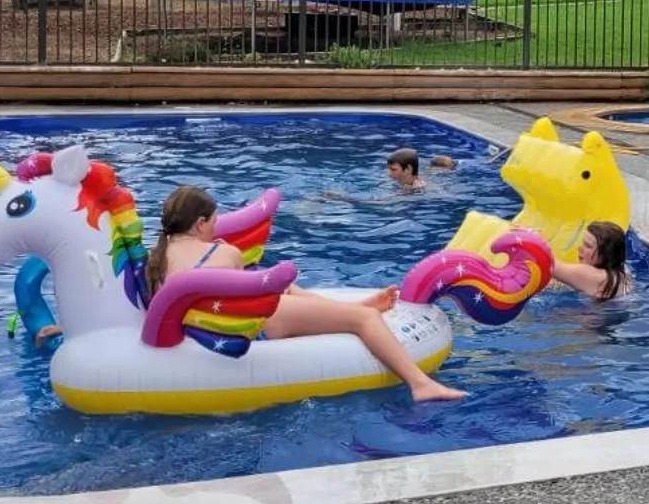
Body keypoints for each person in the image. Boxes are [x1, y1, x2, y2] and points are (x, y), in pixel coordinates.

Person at [148, 186, 465, 402]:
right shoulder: (223, 252)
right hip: (251, 328)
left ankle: (352, 306)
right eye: (214, 222)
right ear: (200, 223)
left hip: (198, 328)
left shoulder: (157, 256)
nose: (216, 228)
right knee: (365, 319)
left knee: (284, 288)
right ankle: (420, 384)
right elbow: (243, 302)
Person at [551, 221, 634, 303]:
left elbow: (550, 264)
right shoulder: (622, 272)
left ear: (604, 255)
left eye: (588, 246)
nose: (580, 248)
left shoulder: (591, 275)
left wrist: (538, 238)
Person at [386, 147, 454, 191]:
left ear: (408, 169)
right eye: (388, 169)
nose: (388, 174)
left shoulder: (425, 188)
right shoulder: (400, 181)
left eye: (393, 170)